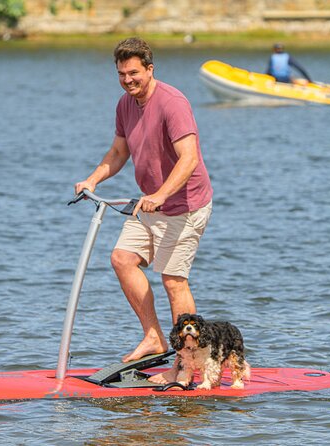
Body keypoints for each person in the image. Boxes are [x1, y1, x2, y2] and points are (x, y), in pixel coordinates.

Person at [74, 37, 213, 384]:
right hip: (150, 202)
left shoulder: (172, 103)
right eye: (121, 74)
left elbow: (190, 158)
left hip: (184, 204)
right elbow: (119, 152)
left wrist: (162, 195)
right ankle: (154, 337)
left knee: (173, 280)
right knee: (122, 259)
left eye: (134, 72)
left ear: (150, 70)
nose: (127, 79)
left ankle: (187, 363)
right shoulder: (124, 104)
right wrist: (91, 180)